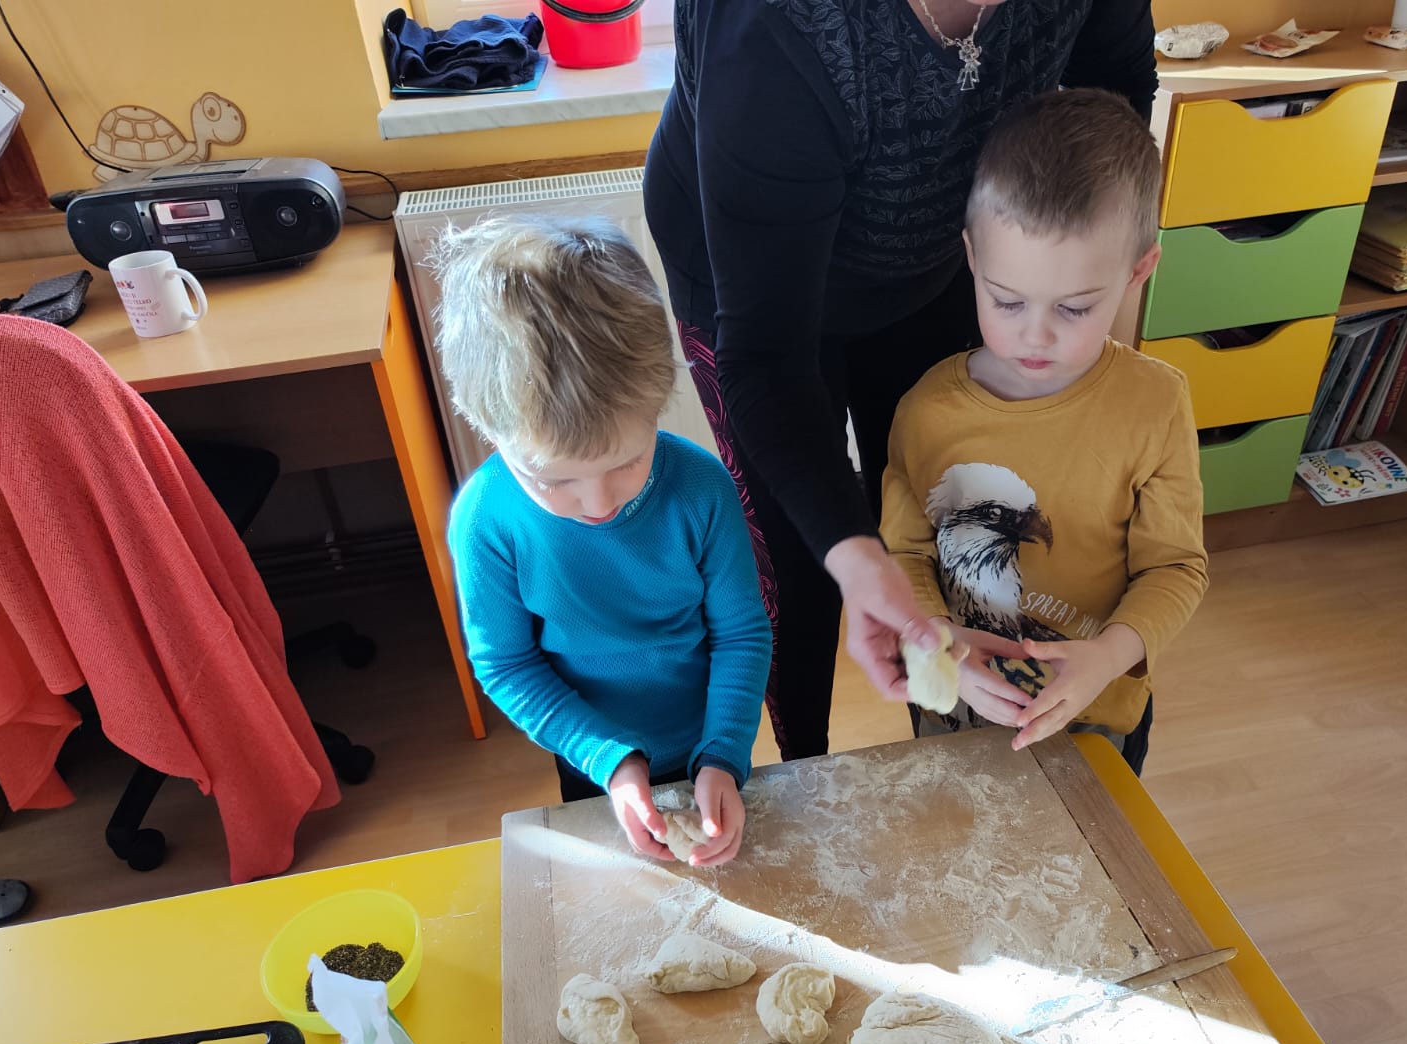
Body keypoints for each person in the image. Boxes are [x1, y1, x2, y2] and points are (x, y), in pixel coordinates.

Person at [644, 0, 1158, 762]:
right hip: (755, 287)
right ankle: (805, 766)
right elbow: (767, 357)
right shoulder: (770, 29)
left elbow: (1114, 108)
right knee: (798, 558)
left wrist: (1063, 288)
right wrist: (856, 555)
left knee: (944, 518)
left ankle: (948, 736)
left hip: (945, 261)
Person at [881, 88, 1209, 775]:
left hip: (1099, 712)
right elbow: (904, 556)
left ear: (1138, 271)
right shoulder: (926, 411)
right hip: (954, 704)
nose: (1035, 336)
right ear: (972, 258)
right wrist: (940, 647)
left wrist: (1109, 656)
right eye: (1007, 301)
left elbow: (1175, 568)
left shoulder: (1155, 404)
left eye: (1074, 308)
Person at [436, 216, 771, 866]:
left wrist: (724, 754)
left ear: (656, 407)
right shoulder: (486, 520)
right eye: (554, 479)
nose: (598, 504)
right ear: (490, 432)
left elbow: (741, 634)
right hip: (589, 754)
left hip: (713, 738)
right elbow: (507, 664)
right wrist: (610, 762)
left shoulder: (702, 489)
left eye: (626, 462)